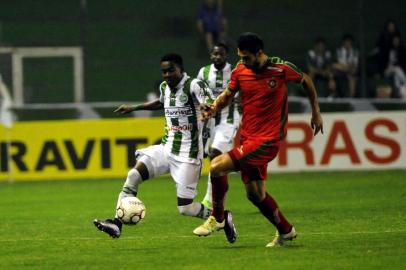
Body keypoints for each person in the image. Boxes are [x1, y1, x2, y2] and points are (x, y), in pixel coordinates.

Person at [193, 32, 323, 247]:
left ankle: (218, 217)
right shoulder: (240, 71)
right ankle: (286, 231)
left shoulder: (281, 68)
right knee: (255, 194)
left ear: (259, 53)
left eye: (246, 58)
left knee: (216, 167)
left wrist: (316, 111)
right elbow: (227, 95)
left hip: (267, 141)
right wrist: (214, 108)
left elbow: (306, 80)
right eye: (240, 57)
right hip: (247, 138)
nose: (242, 61)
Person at [94, 53, 215, 238]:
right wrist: (134, 108)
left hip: (187, 155)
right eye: (164, 71)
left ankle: (220, 217)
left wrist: (207, 112)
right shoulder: (164, 86)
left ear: (180, 69)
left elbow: (211, 105)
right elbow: (161, 102)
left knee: (186, 208)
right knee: (133, 175)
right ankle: (116, 224)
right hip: (166, 149)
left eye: (170, 70)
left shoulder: (194, 85)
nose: (166, 75)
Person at [196, 43, 240, 208]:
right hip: (210, 120)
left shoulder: (235, 71)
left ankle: (209, 199)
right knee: (217, 159)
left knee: (215, 155)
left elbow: (244, 92)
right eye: (214, 54)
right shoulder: (204, 72)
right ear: (211, 56)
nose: (217, 57)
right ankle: (244, 166)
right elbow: (197, 92)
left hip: (229, 119)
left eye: (220, 54)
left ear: (226, 55)